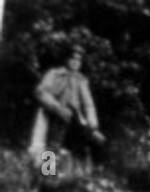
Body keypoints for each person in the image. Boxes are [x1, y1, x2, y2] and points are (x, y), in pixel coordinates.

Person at [29, 45, 104, 174]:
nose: (75, 62)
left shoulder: (81, 80)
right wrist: (57, 107)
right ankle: (47, 174)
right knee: (50, 144)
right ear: (66, 60)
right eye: (72, 58)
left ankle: (80, 175)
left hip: (72, 117)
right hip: (52, 113)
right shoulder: (55, 74)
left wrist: (92, 123)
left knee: (90, 142)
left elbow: (88, 104)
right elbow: (41, 92)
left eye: (79, 60)